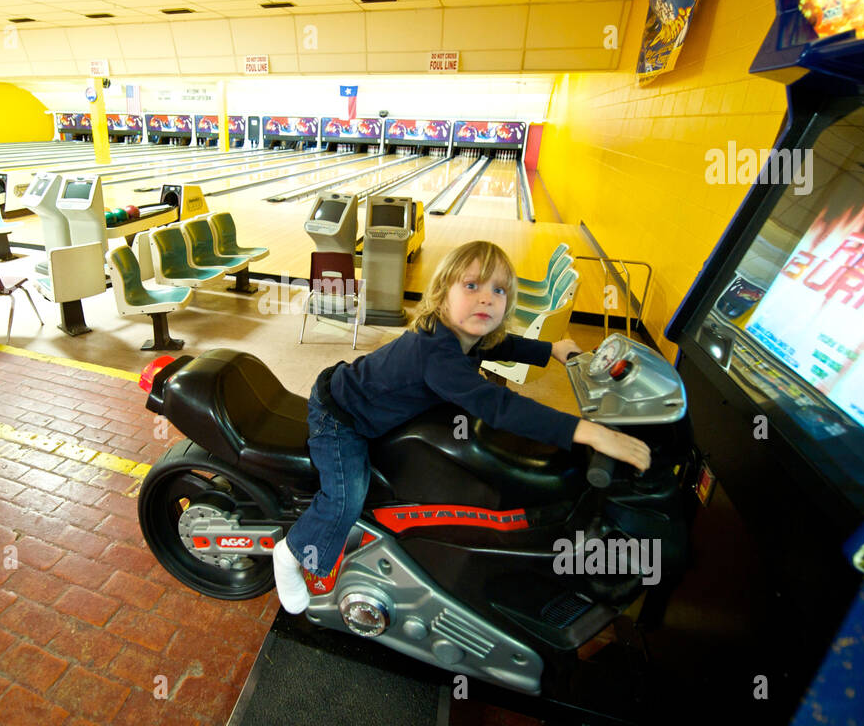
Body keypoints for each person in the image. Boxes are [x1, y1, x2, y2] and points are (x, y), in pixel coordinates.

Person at [272, 240, 653, 614]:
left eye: (498, 290)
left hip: (368, 399)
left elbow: (499, 345)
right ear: (441, 295)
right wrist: (586, 431)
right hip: (340, 415)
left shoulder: (465, 334)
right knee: (345, 498)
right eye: (472, 286)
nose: (486, 298)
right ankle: (291, 555)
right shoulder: (437, 353)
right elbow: (498, 405)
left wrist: (549, 349)